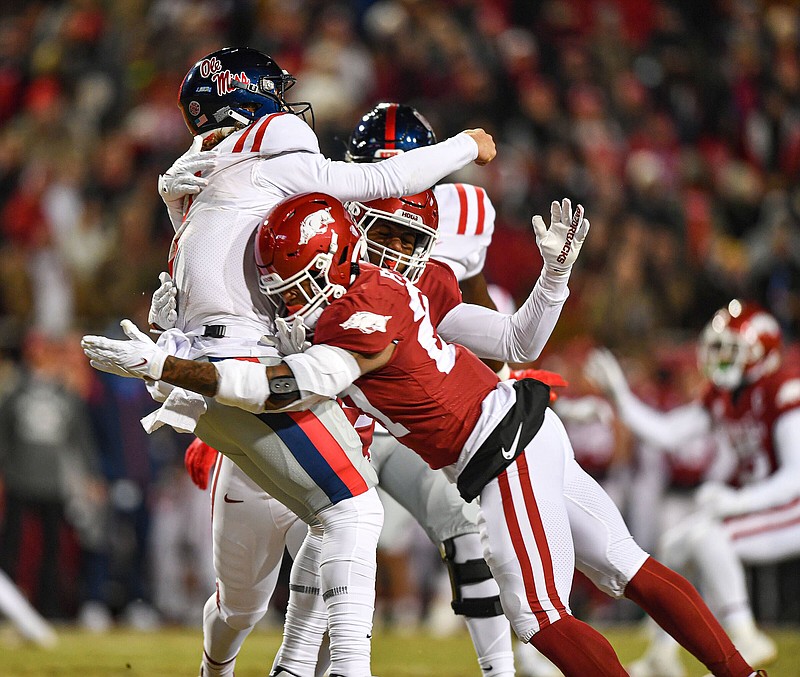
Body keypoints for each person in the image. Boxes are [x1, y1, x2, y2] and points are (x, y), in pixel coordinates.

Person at [83, 192, 763, 677]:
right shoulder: (401, 286)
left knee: (539, 616)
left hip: (501, 454)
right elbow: (515, 341)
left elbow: (282, 386)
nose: (289, 302)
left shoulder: (360, 311)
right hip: (526, 429)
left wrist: (168, 365)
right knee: (625, 565)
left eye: (295, 287)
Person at [141, 46, 496, 677]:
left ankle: (279, 668)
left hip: (242, 389)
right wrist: (468, 144)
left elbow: (177, 302)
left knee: (279, 572)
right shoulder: (276, 156)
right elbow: (384, 183)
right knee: (347, 516)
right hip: (259, 383)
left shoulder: (205, 181)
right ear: (248, 100)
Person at [585, 299, 798, 676]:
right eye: (718, 349)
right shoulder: (724, 395)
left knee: (707, 537)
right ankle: (661, 654)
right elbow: (668, 434)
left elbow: (796, 476)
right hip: (764, 505)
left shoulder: (783, 390)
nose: (720, 360)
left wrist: (736, 501)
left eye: (732, 351)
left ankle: (744, 634)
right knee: (674, 543)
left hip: (791, 506)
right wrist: (621, 397)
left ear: (760, 354)